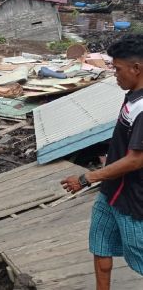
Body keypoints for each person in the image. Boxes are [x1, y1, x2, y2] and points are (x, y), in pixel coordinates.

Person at [61, 34, 143, 289]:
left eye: (118, 69)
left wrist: (87, 177)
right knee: (100, 244)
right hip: (111, 192)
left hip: (133, 198)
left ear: (136, 68)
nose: (115, 74)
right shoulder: (132, 97)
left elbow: (136, 160)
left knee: (138, 254)